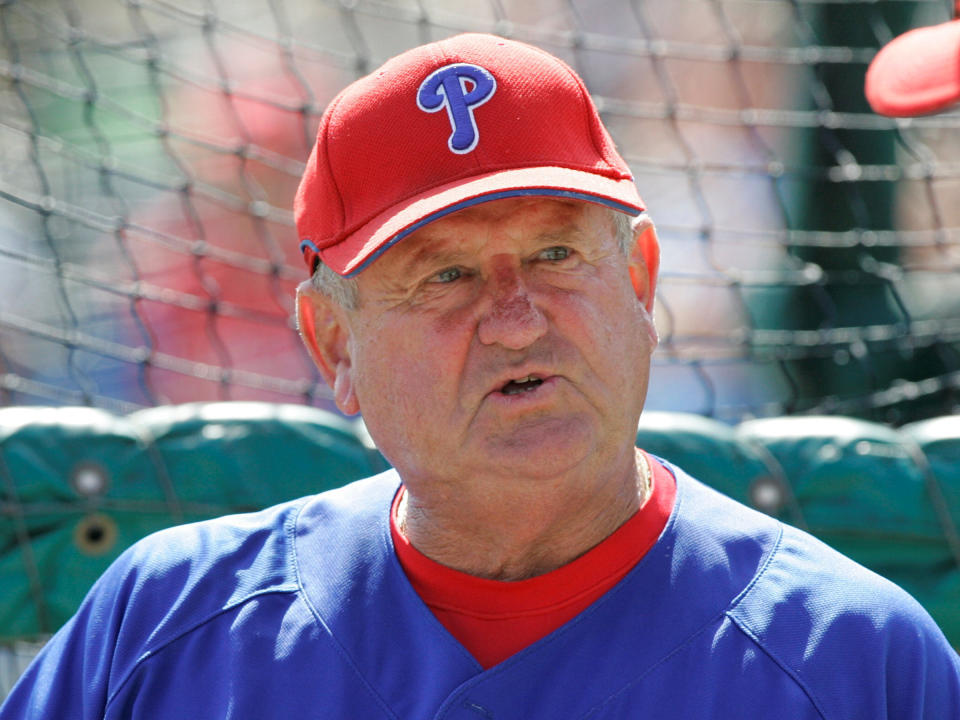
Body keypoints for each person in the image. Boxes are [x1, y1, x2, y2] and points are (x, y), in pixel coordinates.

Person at [2, 32, 958, 720]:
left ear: (639, 281)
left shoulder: (855, 656)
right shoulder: (161, 627)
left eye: (555, 254)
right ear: (334, 344)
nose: (515, 319)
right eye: (446, 275)